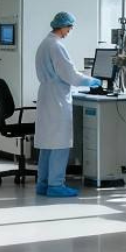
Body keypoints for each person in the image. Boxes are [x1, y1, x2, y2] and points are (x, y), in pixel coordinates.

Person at [34, 11, 101, 197]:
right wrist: (92, 81)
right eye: (69, 27)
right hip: (57, 98)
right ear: (62, 26)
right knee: (60, 143)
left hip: (47, 95)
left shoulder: (44, 44)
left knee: (47, 144)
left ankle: (43, 183)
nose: (69, 31)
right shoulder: (56, 46)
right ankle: (55, 185)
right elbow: (70, 75)